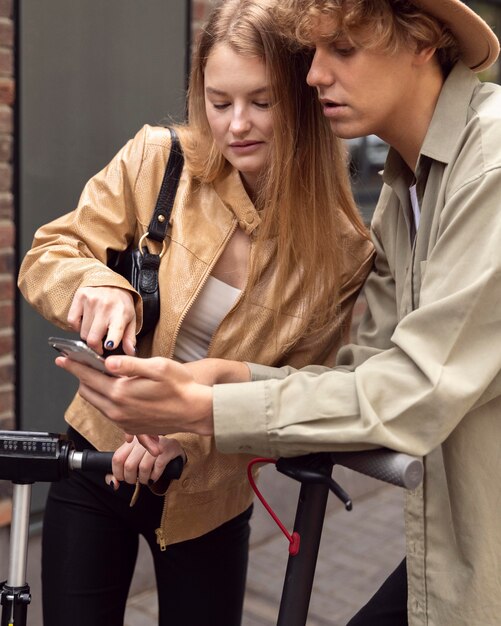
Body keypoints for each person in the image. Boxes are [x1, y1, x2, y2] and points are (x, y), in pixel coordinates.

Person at [50, 1, 501, 625]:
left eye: (340, 49)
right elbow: (360, 376)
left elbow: (412, 388)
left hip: (228, 501)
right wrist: (215, 378)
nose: (315, 73)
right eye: (313, 53)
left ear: (425, 41)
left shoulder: (479, 172)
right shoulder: (404, 193)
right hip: (458, 548)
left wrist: (199, 411)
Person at [18, 1, 374, 625]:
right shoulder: (161, 160)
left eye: (261, 102)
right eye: (218, 101)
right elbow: (49, 253)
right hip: (95, 458)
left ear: (301, 96)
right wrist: (95, 285)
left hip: (210, 496)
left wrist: (185, 435)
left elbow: (304, 396)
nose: (236, 124)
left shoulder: (341, 251)